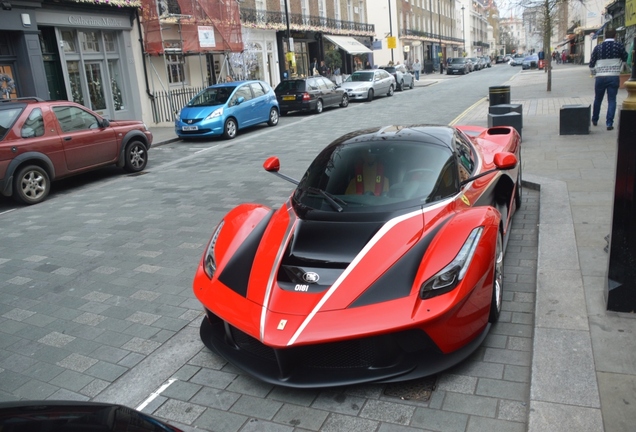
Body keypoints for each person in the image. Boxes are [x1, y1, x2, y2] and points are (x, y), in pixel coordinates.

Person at [589, 28, 627, 130]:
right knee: (612, 100)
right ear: (615, 36)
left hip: (600, 77)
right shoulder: (619, 46)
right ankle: (609, 123)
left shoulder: (598, 47)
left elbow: (591, 64)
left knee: (598, 99)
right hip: (613, 76)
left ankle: (595, 119)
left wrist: (594, 73)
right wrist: (621, 67)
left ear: (605, 36)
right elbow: (625, 58)